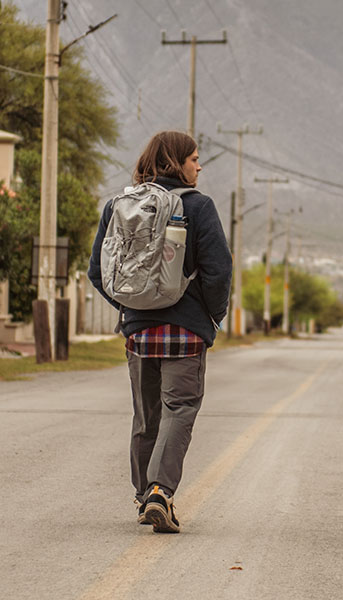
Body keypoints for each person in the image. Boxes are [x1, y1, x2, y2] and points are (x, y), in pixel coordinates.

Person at [87, 131, 233, 534]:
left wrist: (131, 306)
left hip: (137, 332)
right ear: (175, 162)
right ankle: (159, 492)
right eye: (194, 159)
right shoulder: (198, 207)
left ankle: (143, 496)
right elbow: (219, 270)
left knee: (146, 415)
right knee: (179, 409)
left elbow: (98, 272)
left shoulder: (119, 206)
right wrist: (210, 317)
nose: (199, 167)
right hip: (185, 332)